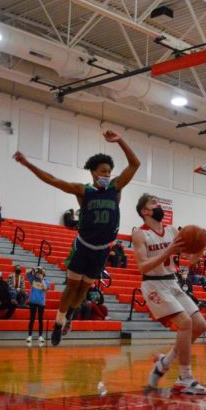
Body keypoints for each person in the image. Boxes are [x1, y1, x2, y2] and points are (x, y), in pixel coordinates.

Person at [14, 129, 140, 346]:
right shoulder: (83, 190)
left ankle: (70, 314)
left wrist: (120, 141)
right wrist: (28, 165)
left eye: (109, 171)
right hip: (84, 245)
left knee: (85, 288)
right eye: (103, 171)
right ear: (93, 173)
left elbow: (135, 164)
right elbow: (52, 180)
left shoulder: (116, 187)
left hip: (102, 249)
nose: (107, 175)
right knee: (72, 286)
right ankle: (58, 323)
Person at [134, 194, 206, 395]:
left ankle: (164, 362)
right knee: (185, 323)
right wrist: (168, 251)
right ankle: (185, 378)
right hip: (153, 285)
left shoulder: (173, 230)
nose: (158, 206)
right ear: (145, 211)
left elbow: (191, 260)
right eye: (153, 203)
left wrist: (201, 247)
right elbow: (142, 267)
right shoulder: (140, 234)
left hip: (172, 282)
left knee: (200, 325)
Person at [26, 267, 49, 345]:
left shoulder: (45, 281)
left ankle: (40, 336)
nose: (39, 273)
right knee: (32, 319)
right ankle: (29, 336)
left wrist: (42, 279)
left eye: (41, 272)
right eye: (38, 272)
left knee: (40, 320)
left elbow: (45, 288)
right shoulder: (33, 279)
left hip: (41, 303)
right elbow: (27, 272)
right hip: (32, 302)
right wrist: (35, 268)